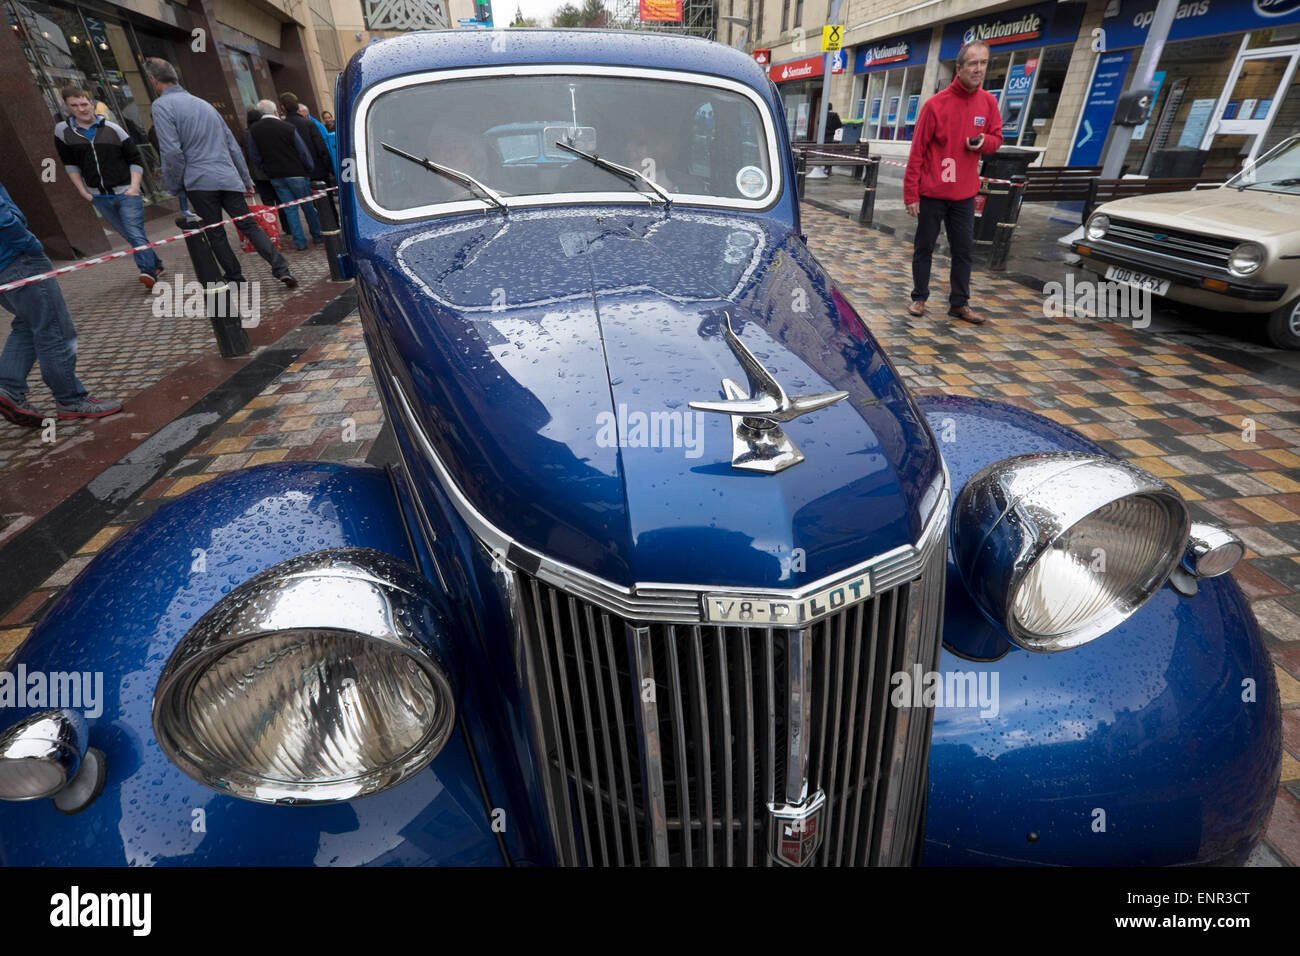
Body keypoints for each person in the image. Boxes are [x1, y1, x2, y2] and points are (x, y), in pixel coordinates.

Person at [144, 58, 296, 288]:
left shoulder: (162, 106)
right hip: (227, 177)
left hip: (199, 181)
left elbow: (171, 151)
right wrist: (245, 179)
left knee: (216, 233)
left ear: (153, 80)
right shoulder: (204, 104)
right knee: (249, 226)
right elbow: (232, 145)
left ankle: (235, 277)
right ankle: (281, 267)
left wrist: (175, 185)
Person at [0, 181, 121, 426]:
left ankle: (8, 387)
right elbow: (3, 218)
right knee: (54, 329)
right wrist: (30, 244)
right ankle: (71, 399)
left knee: (28, 323)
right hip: (18, 259)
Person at [903, 40, 1002, 326]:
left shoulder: (989, 102)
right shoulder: (936, 105)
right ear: (959, 68)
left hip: (964, 194)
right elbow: (917, 151)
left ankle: (959, 303)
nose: (979, 69)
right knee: (925, 247)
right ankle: (919, 296)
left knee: (963, 250)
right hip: (933, 192)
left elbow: (997, 138)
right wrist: (911, 193)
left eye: (983, 63)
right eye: (973, 63)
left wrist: (985, 142)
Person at [54, 86, 165, 290]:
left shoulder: (113, 129)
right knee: (130, 234)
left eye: (84, 104)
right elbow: (70, 164)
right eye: (75, 106)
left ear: (91, 103)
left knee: (134, 231)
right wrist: (82, 191)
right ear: (67, 108)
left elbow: (135, 158)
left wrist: (133, 186)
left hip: (126, 192)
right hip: (99, 196)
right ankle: (156, 264)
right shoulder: (63, 132)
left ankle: (148, 271)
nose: (82, 109)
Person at [248, 99, 322, 250]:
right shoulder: (287, 126)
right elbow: (301, 150)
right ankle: (317, 235)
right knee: (308, 206)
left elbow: (254, 155)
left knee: (290, 209)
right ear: (275, 111)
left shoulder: (254, 131)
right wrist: (309, 167)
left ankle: (300, 242)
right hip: (295, 172)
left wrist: (265, 170)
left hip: (275, 175)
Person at [279, 93, 334, 185]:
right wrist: (330, 168)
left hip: (297, 174)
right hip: (318, 171)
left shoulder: (282, 127)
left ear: (282, 108)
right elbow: (321, 148)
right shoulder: (309, 124)